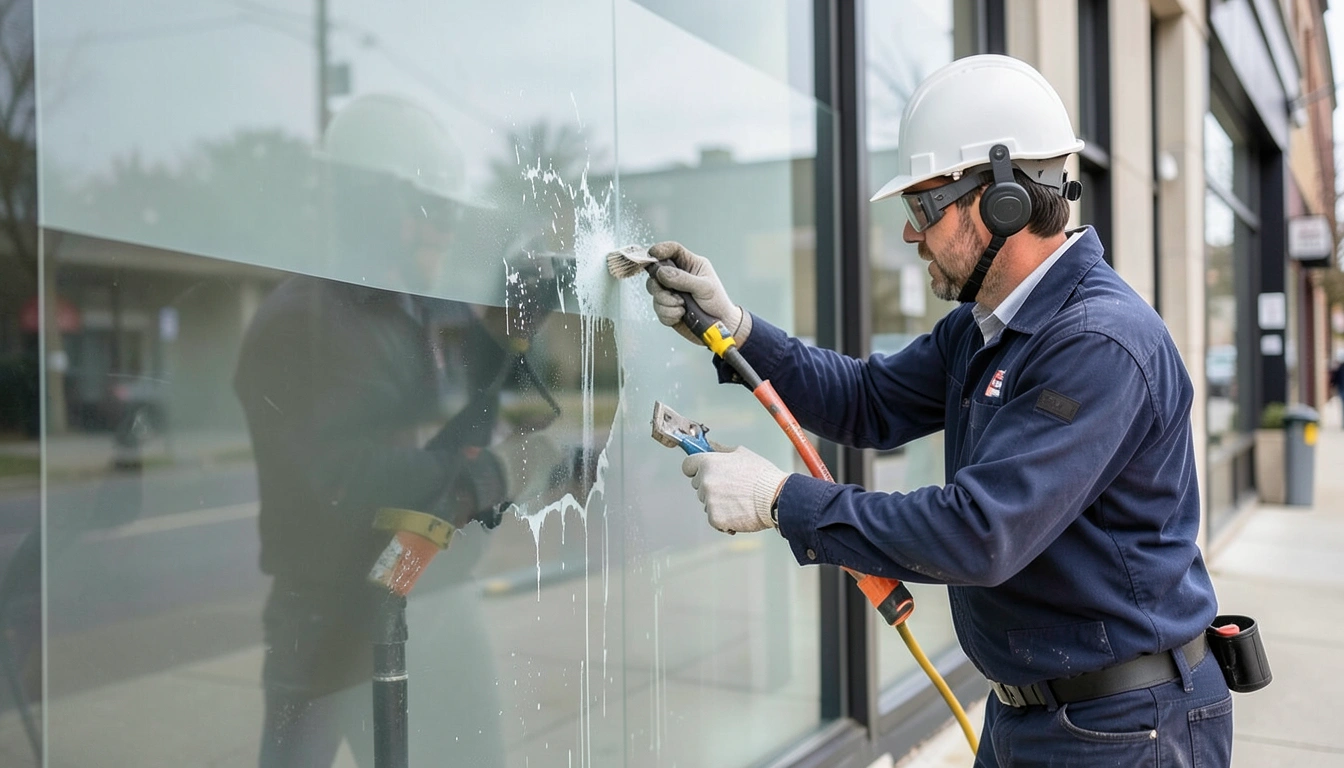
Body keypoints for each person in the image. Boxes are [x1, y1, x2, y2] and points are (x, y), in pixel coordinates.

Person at [645, 55, 1232, 767]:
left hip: (1127, 729)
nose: (908, 234)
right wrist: (736, 330)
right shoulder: (986, 323)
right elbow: (868, 401)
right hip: (1037, 716)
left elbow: (978, 533)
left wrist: (782, 500)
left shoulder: (1098, 344)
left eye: (922, 207)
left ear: (1001, 201)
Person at [235, 94, 559, 767]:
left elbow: (488, 412)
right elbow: (342, 483)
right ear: (368, 207)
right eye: (425, 209)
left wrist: (517, 327)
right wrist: (489, 474)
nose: (440, 231)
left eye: (446, 211)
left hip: (432, 593)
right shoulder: (308, 321)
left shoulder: (422, 309)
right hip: (329, 621)